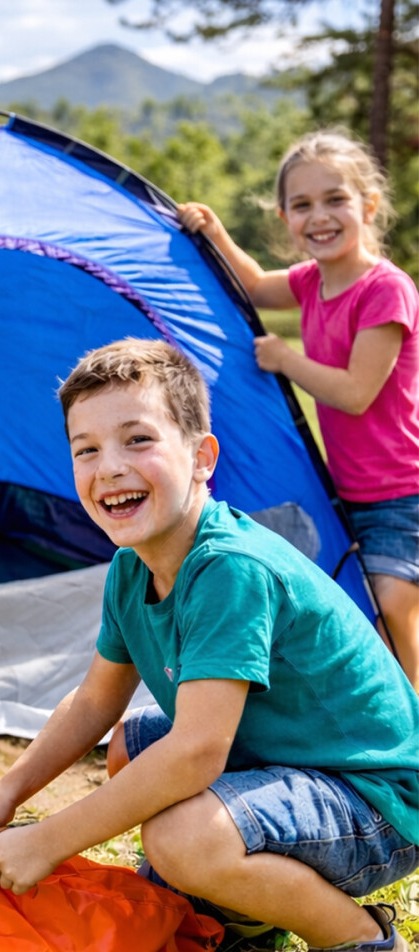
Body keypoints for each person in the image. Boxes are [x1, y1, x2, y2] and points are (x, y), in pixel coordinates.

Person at [0, 339, 419, 952]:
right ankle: (248, 904)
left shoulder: (231, 567)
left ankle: (361, 940)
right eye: (86, 449)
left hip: (377, 804)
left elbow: (198, 753)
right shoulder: (130, 567)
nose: (110, 468)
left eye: (137, 440)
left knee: (179, 837)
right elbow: (93, 703)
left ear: (202, 459)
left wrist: (48, 841)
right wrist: (6, 795)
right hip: (287, 763)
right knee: (131, 744)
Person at [177, 129, 419, 689]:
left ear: (369, 205)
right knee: (366, 613)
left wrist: (285, 358)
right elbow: (258, 285)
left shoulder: (385, 289)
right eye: (302, 205)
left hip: (401, 492)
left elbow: (358, 392)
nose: (320, 217)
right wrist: (215, 234)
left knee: (393, 605)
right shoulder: (312, 282)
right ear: (284, 216)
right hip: (347, 491)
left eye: (336, 199)